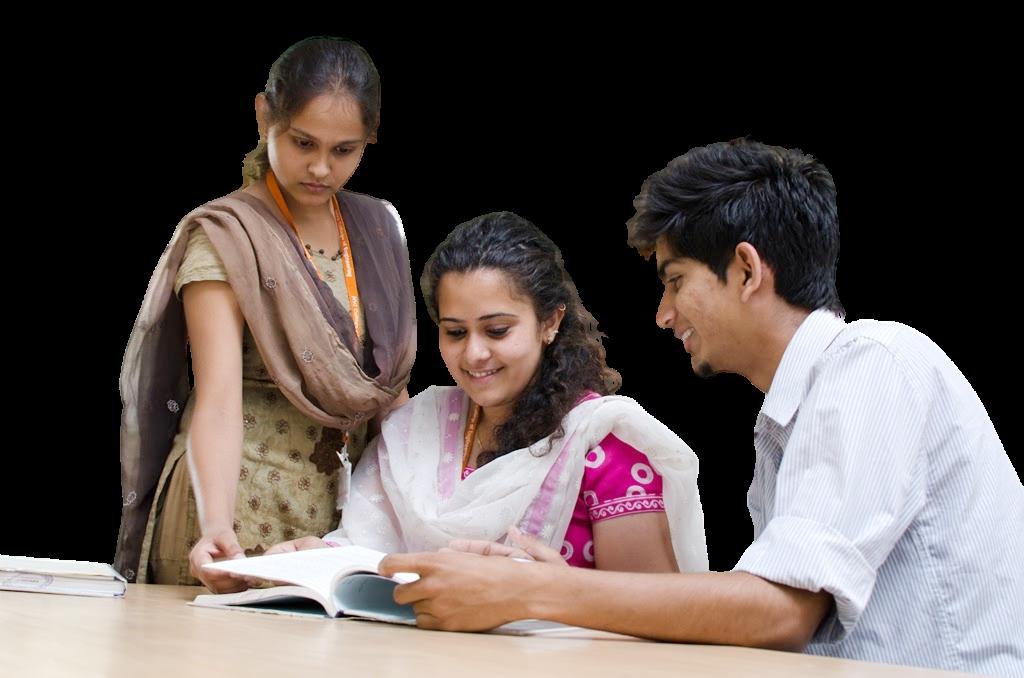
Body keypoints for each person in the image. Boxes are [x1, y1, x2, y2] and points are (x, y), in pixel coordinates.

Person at [378, 140, 1024, 677]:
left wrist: (533, 592)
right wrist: (551, 587)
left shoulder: (874, 362)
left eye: (675, 280)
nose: (663, 314)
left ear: (746, 270)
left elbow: (780, 613)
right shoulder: (792, 414)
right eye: (454, 332)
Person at [115, 36, 416, 592]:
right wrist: (216, 525)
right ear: (263, 116)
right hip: (232, 500)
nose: (321, 167)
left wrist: (421, 513)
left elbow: (389, 395)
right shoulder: (227, 235)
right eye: (303, 143)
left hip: (336, 519)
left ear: (369, 139)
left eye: (344, 150)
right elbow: (218, 399)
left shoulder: (378, 230)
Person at [268, 211, 708, 574]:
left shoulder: (606, 448)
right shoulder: (415, 430)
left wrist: (556, 589)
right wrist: (321, 558)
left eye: (497, 330)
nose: (474, 354)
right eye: (455, 332)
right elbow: (370, 551)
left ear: (550, 322)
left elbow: (653, 615)